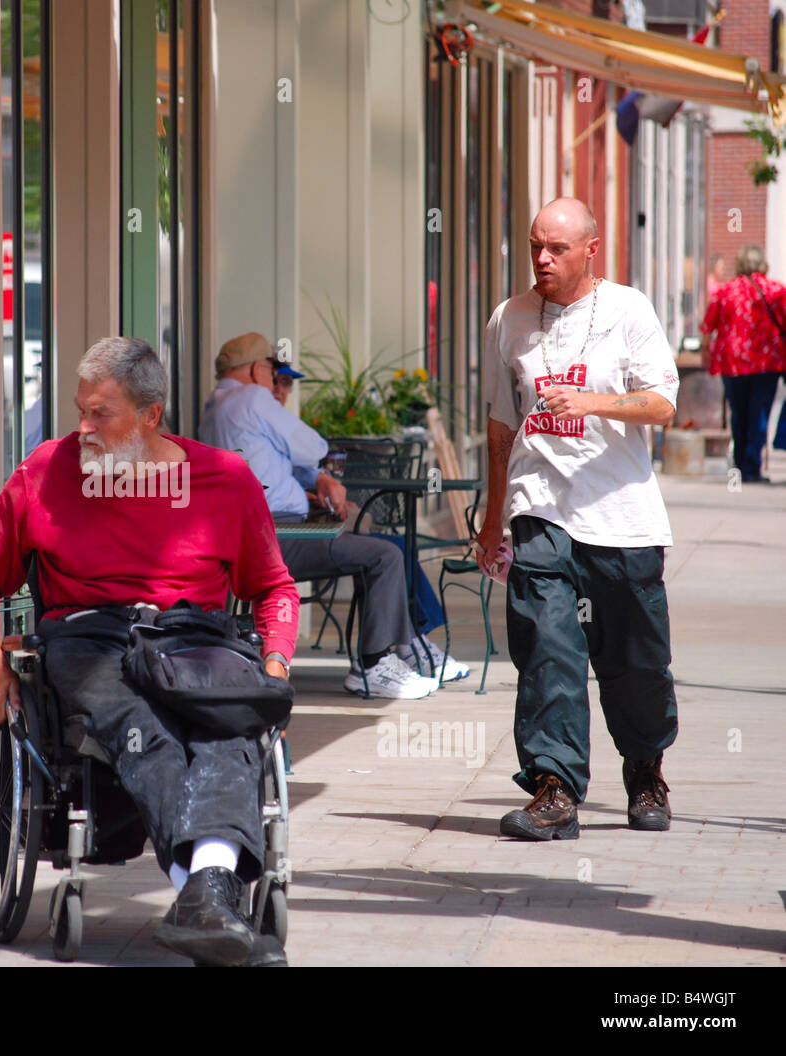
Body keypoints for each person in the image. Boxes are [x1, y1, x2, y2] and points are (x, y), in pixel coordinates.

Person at [0, 336, 297, 967]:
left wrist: (272, 667)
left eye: (100, 414)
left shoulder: (224, 479)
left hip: (196, 637)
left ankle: (206, 894)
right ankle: (207, 896)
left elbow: (273, 587)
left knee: (231, 717)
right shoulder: (43, 472)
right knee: (147, 725)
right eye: (79, 410)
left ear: (151, 416)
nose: (81, 428)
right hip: (88, 636)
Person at [475, 197, 679, 841]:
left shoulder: (628, 309)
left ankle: (644, 768)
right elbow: (501, 424)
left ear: (590, 249)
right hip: (540, 508)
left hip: (622, 516)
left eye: (556, 248)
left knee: (636, 661)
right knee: (547, 648)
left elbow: (664, 403)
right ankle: (554, 786)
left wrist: (593, 402)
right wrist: (492, 515)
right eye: (535, 245)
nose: (542, 258)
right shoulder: (508, 319)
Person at [199, 332, 467, 699]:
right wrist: (321, 472)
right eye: (270, 369)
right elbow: (313, 446)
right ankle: (374, 665)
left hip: (245, 537)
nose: (275, 380)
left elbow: (271, 465)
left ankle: (410, 646)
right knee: (385, 553)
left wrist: (315, 480)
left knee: (380, 547)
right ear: (255, 369)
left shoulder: (214, 407)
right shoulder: (251, 397)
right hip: (277, 537)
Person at [700, 245, 786, 483]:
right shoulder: (776, 290)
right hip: (767, 362)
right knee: (759, 414)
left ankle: (739, 463)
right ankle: (751, 465)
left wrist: (706, 351)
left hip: (733, 362)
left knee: (738, 413)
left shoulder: (726, 291)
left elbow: (708, 326)